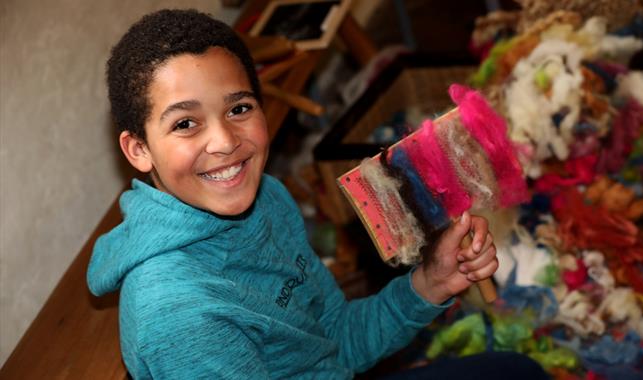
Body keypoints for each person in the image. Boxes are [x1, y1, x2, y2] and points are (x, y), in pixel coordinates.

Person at [87, 9, 547, 380]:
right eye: (185, 123)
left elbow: (336, 342)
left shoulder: (267, 197)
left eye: (239, 108)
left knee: (520, 372)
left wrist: (431, 283)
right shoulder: (181, 317)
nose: (225, 142)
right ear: (139, 149)